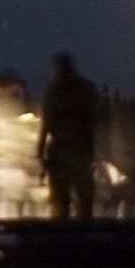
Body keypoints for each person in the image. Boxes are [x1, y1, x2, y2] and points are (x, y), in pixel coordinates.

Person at [39, 51, 98, 219]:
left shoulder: (53, 89)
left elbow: (46, 124)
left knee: (60, 198)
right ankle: (85, 235)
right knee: (84, 198)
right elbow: (96, 119)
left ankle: (61, 235)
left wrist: (40, 152)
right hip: (83, 148)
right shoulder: (86, 88)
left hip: (60, 150)